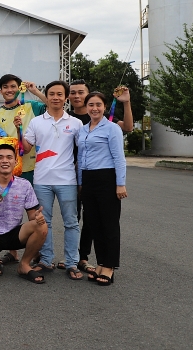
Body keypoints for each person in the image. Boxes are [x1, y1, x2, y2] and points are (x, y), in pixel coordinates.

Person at [69, 80, 132, 274]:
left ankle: (109, 266)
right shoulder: (83, 129)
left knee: (109, 224)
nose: (94, 108)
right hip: (88, 180)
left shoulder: (112, 128)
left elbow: (119, 158)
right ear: (86, 107)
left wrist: (120, 184)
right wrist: (81, 183)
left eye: (98, 104)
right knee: (94, 224)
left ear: (105, 107)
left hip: (106, 178)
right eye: (91, 105)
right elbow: (81, 157)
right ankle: (101, 262)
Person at [21, 80, 83, 279]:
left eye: (59, 94)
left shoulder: (76, 123)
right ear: (46, 97)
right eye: (52, 94)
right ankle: (46, 260)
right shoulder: (36, 122)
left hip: (67, 180)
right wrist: (19, 128)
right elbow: (26, 149)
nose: (56, 98)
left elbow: (83, 150)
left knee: (71, 223)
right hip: (41, 180)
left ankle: (72, 262)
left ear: (66, 98)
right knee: (43, 222)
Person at [0, 74, 46, 265]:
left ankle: (35, 252)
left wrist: (35, 91)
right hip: (8, 170)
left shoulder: (31, 106)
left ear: (18, 88)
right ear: (1, 91)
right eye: (5, 87)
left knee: (34, 211)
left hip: (31, 167)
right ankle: (12, 251)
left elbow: (53, 106)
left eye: (13, 86)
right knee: (8, 210)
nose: (9, 90)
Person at [0, 144, 47, 284]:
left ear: (15, 161)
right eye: (0, 157)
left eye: (9, 157)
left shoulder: (24, 184)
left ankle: (24, 264)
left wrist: (38, 217)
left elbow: (31, 216)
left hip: (14, 233)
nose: (5, 161)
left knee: (42, 226)